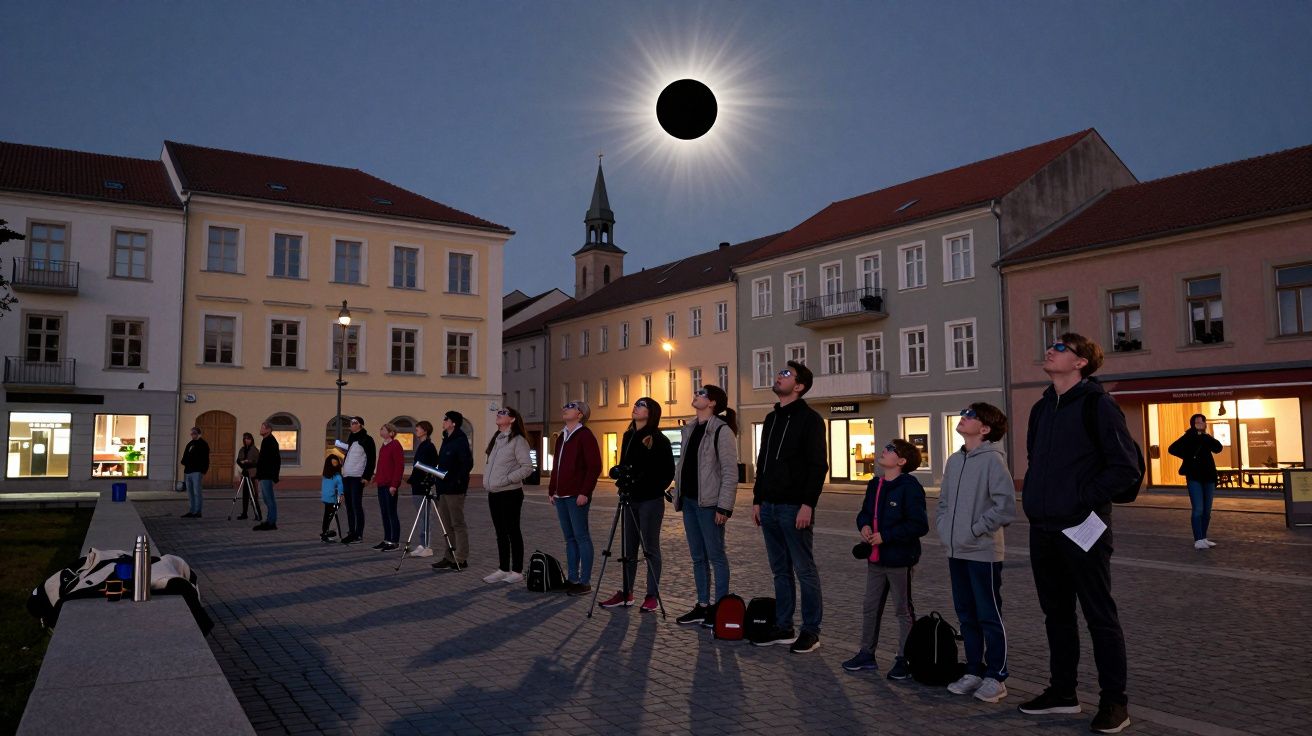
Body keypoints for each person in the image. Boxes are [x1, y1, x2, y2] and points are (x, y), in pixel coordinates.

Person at [1019, 334, 1139, 734]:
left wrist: (1081, 499)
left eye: (1061, 348)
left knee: (1099, 616)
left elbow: (1125, 468)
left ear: (1081, 362)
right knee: (1056, 615)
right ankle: (1063, 692)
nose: (1050, 350)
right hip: (1044, 528)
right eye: (1050, 345)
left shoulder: (1097, 405)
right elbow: (1037, 460)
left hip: (1083, 528)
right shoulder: (1041, 408)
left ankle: (1114, 703)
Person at [935, 403, 1018, 703]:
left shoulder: (994, 461)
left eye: (970, 416)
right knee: (966, 614)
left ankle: (997, 675)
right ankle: (973, 669)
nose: (963, 418)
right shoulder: (954, 460)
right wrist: (946, 529)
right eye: (963, 413)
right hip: (956, 551)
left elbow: (1005, 507)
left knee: (988, 614)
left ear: (984, 429)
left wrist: (973, 530)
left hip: (983, 553)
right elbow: (943, 502)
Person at [751, 361, 828, 654]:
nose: (778, 376)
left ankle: (811, 630)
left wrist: (808, 504)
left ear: (799, 386)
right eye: (779, 372)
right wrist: (758, 499)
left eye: (785, 374)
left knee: (804, 570)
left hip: (794, 506)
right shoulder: (772, 419)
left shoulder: (810, 420)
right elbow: (763, 461)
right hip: (769, 506)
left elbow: (818, 465)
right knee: (779, 570)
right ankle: (784, 626)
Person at [844, 439, 928, 679]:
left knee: (902, 610)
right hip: (875, 558)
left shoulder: (909, 487)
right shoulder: (875, 484)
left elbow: (919, 524)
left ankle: (904, 658)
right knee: (870, 607)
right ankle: (866, 654)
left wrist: (887, 536)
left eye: (891, 449)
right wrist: (865, 526)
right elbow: (864, 513)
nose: (885, 450)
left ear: (901, 461)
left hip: (900, 559)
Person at [600, 397, 675, 612]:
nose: (636, 407)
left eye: (641, 405)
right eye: (636, 404)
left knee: (650, 547)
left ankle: (652, 594)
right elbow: (626, 464)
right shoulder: (628, 435)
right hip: (630, 499)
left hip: (650, 500)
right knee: (628, 547)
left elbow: (667, 472)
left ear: (651, 412)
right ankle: (626, 592)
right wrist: (621, 475)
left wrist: (648, 485)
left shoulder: (659, 439)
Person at [673, 384, 739, 626]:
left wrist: (724, 507)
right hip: (690, 502)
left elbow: (730, 472)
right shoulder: (690, 428)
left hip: (710, 504)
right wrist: (677, 490)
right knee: (697, 557)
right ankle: (702, 606)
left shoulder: (722, 431)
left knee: (716, 556)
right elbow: (685, 465)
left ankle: (719, 609)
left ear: (712, 403)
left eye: (701, 393)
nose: (696, 394)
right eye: (697, 391)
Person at [548, 400, 602, 596]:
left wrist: (585, 492)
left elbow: (594, 466)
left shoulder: (585, 435)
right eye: (564, 406)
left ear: (580, 414)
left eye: (570, 407)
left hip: (576, 496)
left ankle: (585, 581)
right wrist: (552, 489)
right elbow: (557, 465)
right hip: (561, 495)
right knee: (569, 539)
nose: (564, 409)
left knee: (582, 537)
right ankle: (572, 578)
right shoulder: (562, 436)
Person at [482, 407, 534, 584]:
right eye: (498, 413)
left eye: (503, 413)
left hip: (510, 493)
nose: (499, 414)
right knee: (500, 533)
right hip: (494, 493)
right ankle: (503, 568)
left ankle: (517, 570)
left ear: (512, 419)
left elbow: (527, 467)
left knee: (513, 531)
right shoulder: (497, 438)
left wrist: (506, 479)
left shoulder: (518, 440)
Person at [1168, 414, 1223, 550]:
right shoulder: (1188, 436)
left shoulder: (1206, 437)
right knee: (1198, 508)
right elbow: (1172, 449)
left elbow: (1218, 448)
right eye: (1196, 422)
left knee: (1207, 510)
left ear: (1205, 424)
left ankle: (1203, 537)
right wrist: (1188, 456)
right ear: (1192, 424)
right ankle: (1198, 539)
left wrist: (1206, 435)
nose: (1199, 424)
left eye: (1201, 422)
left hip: (1209, 477)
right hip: (1194, 477)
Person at [431, 411, 473, 571]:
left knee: (457, 524)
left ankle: (461, 558)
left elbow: (466, 464)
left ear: (453, 422)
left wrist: (457, 481)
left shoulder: (460, 441)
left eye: (446, 419)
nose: (443, 421)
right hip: (443, 488)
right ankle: (449, 556)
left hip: (455, 489)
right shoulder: (446, 440)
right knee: (446, 525)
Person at [339, 417, 376, 545]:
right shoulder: (351, 439)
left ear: (361, 425)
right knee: (348, 506)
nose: (352, 425)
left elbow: (371, 459)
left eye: (354, 423)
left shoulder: (367, 439)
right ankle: (351, 532)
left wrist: (367, 476)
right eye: (351, 423)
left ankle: (358, 534)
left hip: (357, 477)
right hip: (347, 476)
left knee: (356, 505)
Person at [407, 420, 438, 557]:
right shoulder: (421, 446)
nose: (416, 431)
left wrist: (428, 480)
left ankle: (427, 546)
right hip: (417, 484)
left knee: (426, 516)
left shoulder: (429, 446)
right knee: (421, 516)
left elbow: (432, 466)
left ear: (425, 430)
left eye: (418, 428)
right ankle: (422, 544)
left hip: (423, 485)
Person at [373, 423, 404, 552]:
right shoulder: (383, 446)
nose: (381, 430)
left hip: (390, 485)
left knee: (391, 513)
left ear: (391, 433)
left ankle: (395, 541)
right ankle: (387, 539)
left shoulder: (395, 445)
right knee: (384, 513)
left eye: (383, 429)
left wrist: (394, 484)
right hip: (381, 483)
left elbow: (399, 466)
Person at [254, 422, 281, 531]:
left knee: (269, 499)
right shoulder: (266, 441)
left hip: (267, 476)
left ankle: (271, 522)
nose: (260, 429)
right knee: (266, 499)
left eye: (262, 428)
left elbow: (276, 461)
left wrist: (274, 477)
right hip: (263, 475)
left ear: (268, 430)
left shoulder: (271, 441)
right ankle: (269, 521)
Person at [180, 427, 209, 518]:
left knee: (197, 492)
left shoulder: (203, 444)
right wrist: (184, 462)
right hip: (188, 471)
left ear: (199, 434)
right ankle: (191, 510)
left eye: (194, 433)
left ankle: (198, 511)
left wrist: (203, 470)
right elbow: (185, 456)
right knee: (190, 492)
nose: (192, 435)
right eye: (191, 433)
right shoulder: (190, 444)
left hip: (197, 471)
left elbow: (205, 459)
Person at [234, 432, 261, 520]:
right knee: (245, 494)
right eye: (245, 439)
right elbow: (238, 460)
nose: (246, 440)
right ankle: (244, 513)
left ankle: (258, 514)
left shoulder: (254, 450)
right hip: (245, 473)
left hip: (252, 474)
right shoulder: (242, 449)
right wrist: (243, 464)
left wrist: (248, 462)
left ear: (251, 439)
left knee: (253, 495)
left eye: (248, 439)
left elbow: (257, 462)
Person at [320, 455, 344, 542]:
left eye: (336, 463)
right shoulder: (337, 476)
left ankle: (325, 532)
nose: (335, 465)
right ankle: (329, 533)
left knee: (327, 516)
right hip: (333, 499)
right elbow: (340, 487)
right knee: (332, 516)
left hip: (326, 499)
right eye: (333, 463)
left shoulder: (326, 476)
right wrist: (341, 495)